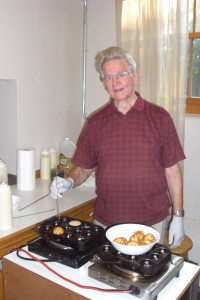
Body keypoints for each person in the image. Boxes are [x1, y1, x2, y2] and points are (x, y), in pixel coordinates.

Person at [51, 46, 185, 248]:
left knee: (145, 277)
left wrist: (178, 215)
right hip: (106, 222)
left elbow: (173, 171)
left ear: (135, 76)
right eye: (109, 77)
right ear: (104, 83)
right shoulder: (95, 123)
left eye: (121, 75)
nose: (115, 82)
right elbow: (84, 168)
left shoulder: (160, 118)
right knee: (106, 276)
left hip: (151, 222)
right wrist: (69, 181)